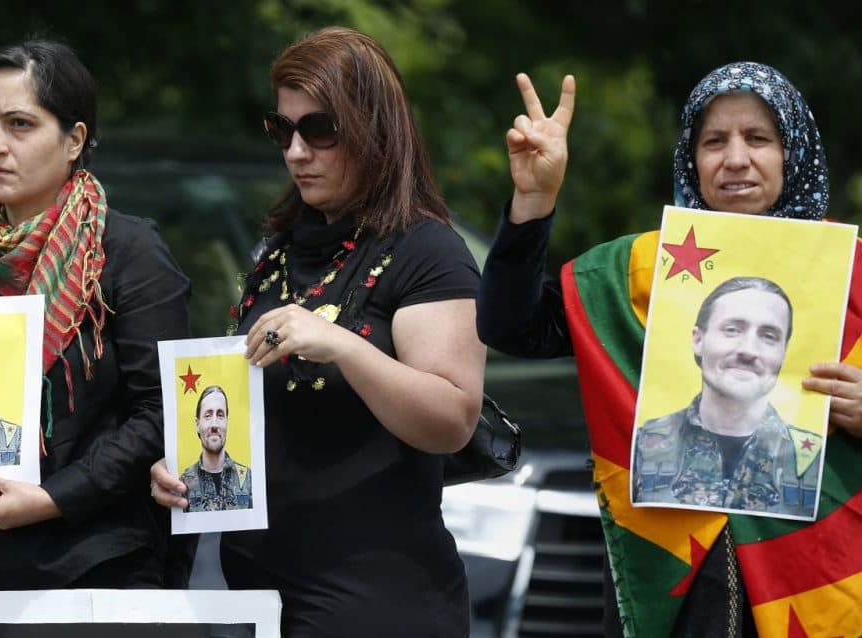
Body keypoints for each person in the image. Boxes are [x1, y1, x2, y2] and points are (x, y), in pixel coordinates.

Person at [477, 62, 861, 635]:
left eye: (758, 138)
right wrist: (534, 200)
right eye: (714, 141)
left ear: (794, 151)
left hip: (820, 596)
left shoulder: (854, 276)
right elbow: (510, 327)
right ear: (691, 158)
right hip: (671, 601)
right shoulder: (636, 272)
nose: (735, 159)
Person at [152, 26, 485, 636]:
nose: (296, 152)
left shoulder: (426, 250)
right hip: (258, 599)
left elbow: (452, 418)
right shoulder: (278, 251)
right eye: (283, 130)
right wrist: (184, 466)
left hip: (377, 602)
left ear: (373, 129)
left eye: (319, 130)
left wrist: (342, 345)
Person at [0, 39, 194, 589]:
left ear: (74, 140)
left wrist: (53, 499)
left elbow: (163, 411)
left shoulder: (126, 251)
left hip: (90, 565)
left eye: (19, 124)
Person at [633, 276, 821, 515]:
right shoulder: (642, 446)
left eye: (768, 336)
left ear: (783, 352)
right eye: (732, 330)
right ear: (698, 340)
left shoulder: (816, 458)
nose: (748, 350)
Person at [179, 385, 252, 512]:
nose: (214, 424)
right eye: (208, 415)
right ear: (197, 424)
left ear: (227, 421)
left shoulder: (249, 479)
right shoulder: (183, 483)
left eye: (220, 415)